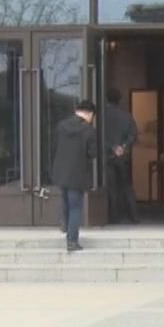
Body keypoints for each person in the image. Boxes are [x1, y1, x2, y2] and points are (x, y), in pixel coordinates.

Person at [50, 99, 97, 251]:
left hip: (61, 172)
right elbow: (93, 153)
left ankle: (65, 223)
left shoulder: (61, 126)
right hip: (78, 174)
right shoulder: (89, 130)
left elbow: (54, 146)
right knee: (76, 207)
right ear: (90, 114)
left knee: (65, 200)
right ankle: (72, 241)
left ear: (77, 110)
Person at [103, 86, 140, 224]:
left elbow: (99, 135)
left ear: (106, 99)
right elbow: (134, 134)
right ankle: (134, 216)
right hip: (123, 156)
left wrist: (112, 147)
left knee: (111, 187)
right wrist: (123, 146)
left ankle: (114, 217)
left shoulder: (102, 116)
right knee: (127, 186)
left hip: (107, 155)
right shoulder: (126, 115)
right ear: (119, 100)